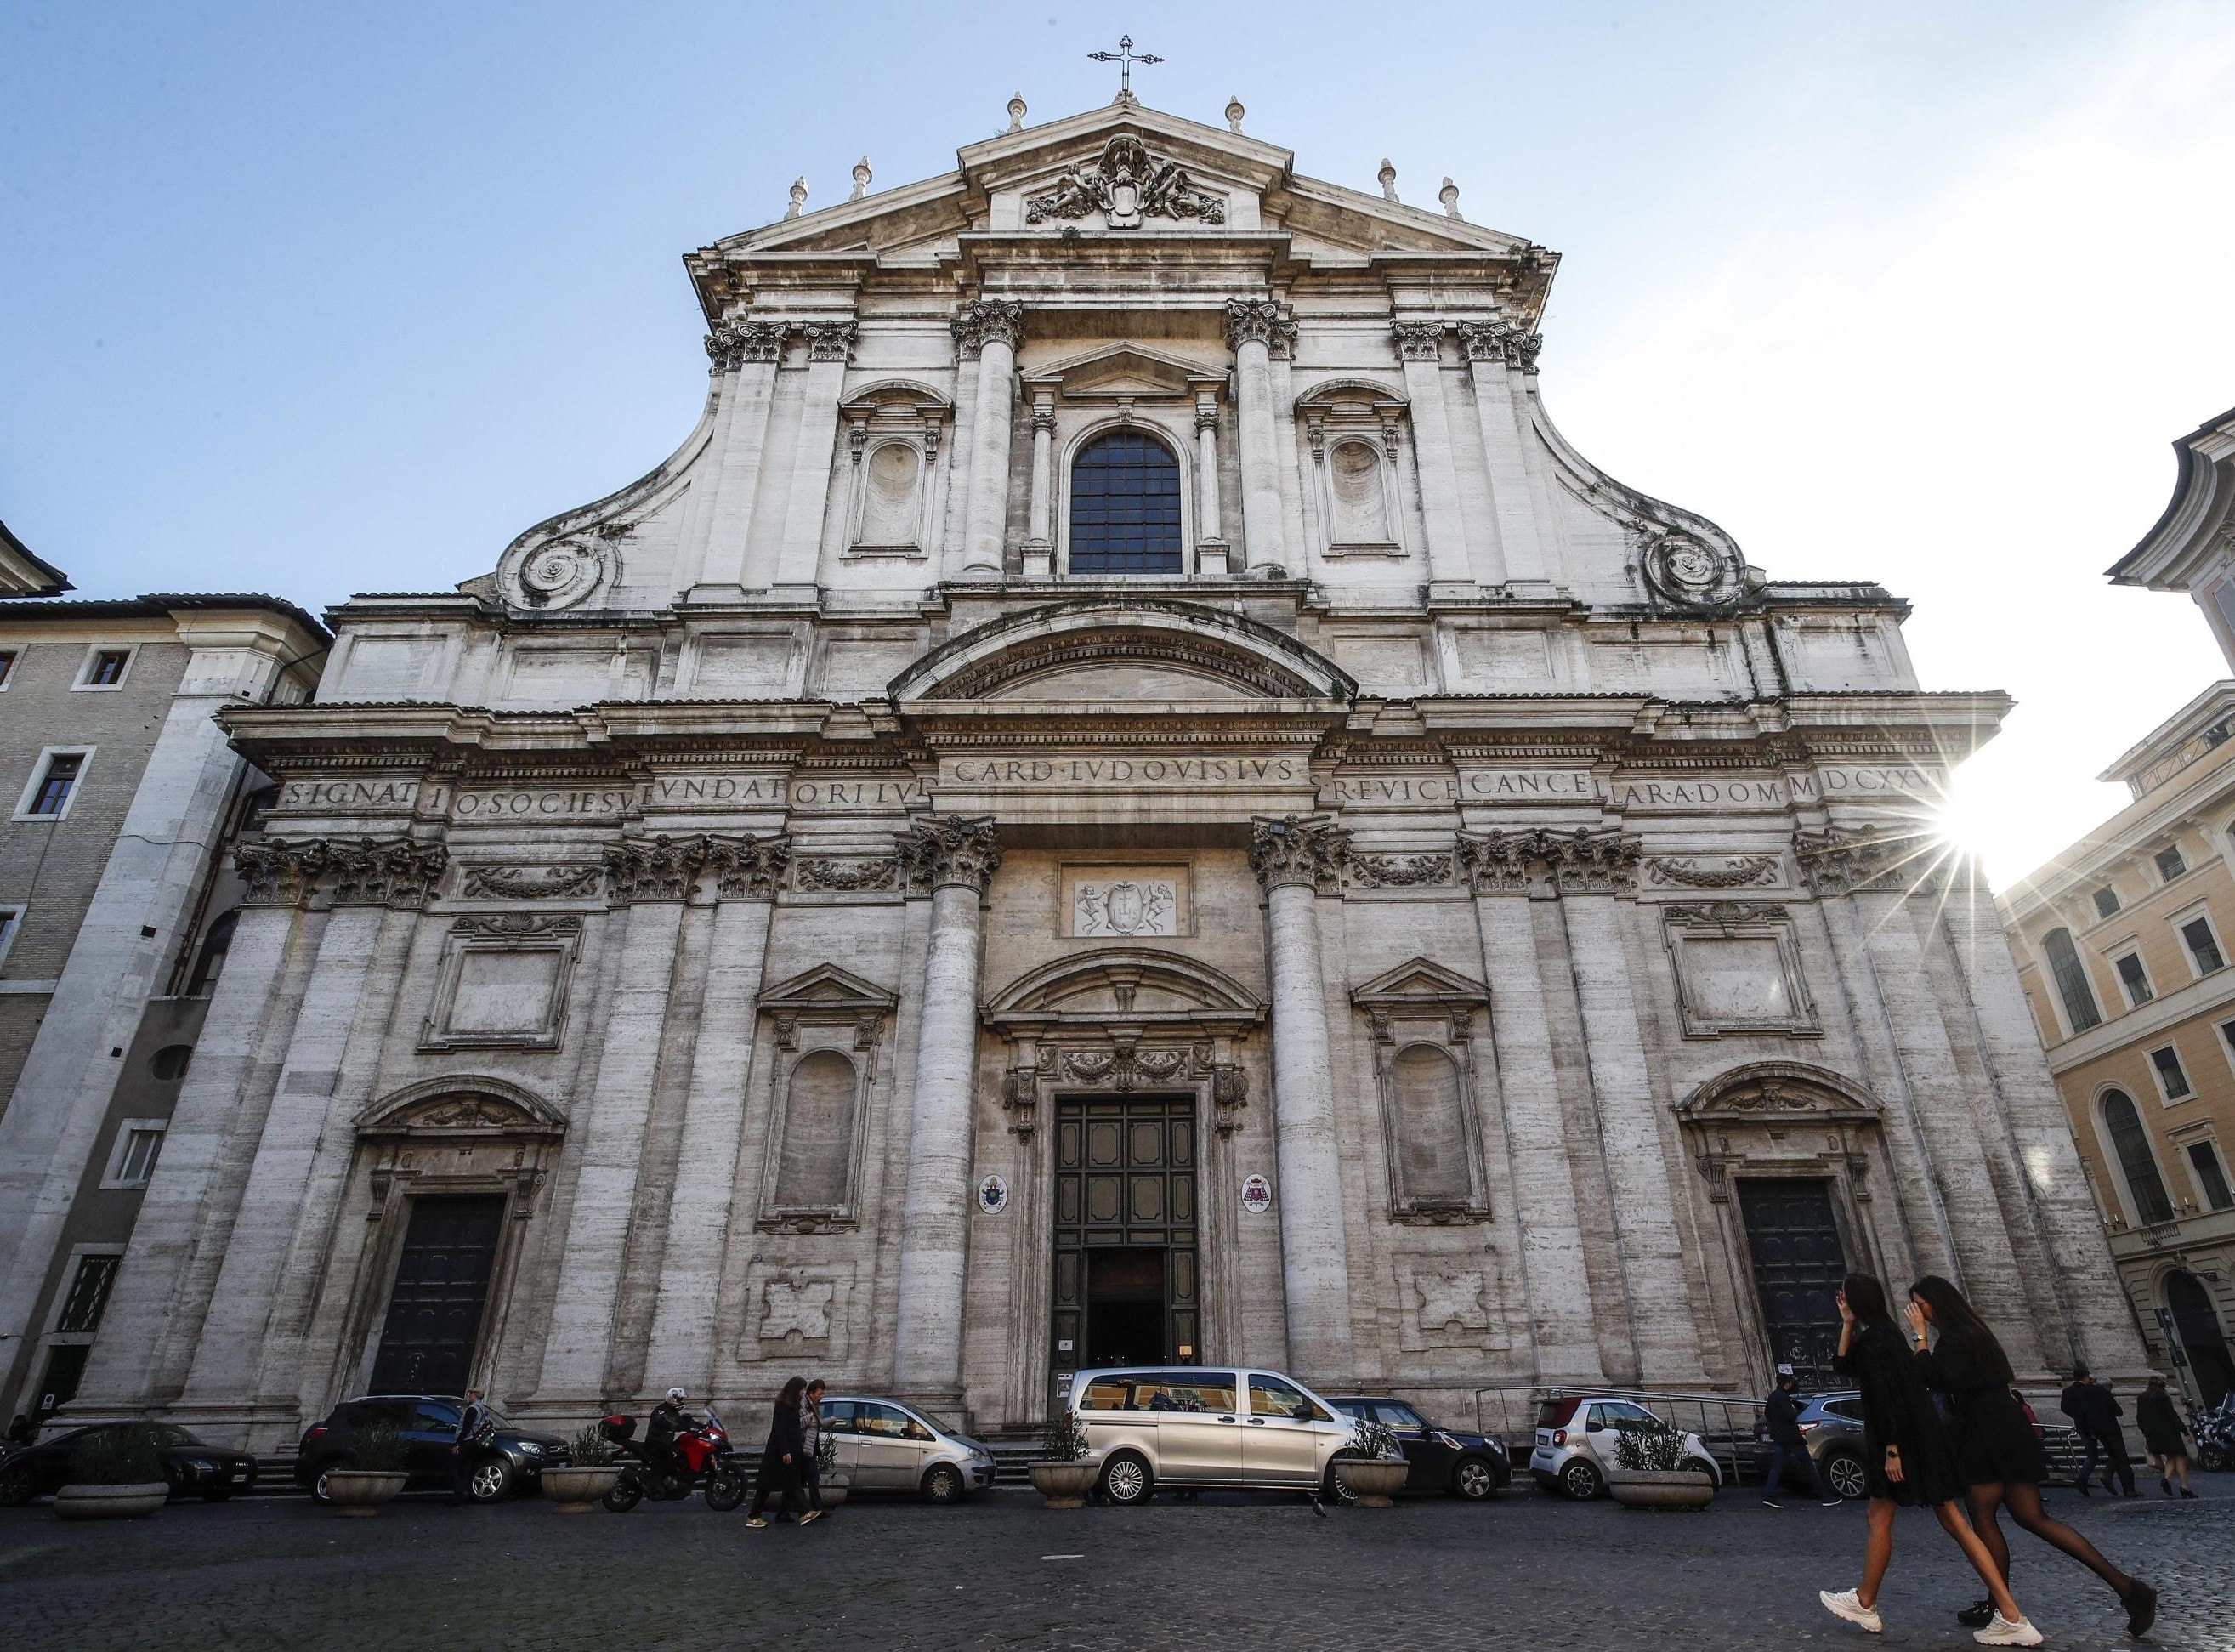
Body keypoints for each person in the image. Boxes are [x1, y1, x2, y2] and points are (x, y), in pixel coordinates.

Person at [1907, 1276, 2156, 1638]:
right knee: (2031, 1517)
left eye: (1922, 1304)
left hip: (1986, 1431)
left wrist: (1919, 1339)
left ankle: (2001, 1607)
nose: (1919, 1312)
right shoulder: (1974, 1332)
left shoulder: (1957, 1337)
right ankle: (2129, 1589)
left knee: (1984, 1515)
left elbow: (1935, 1377)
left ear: (1938, 1302)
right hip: (2004, 1426)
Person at [1818, 1272, 2041, 1647]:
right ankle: (1868, 1602)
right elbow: (1843, 1366)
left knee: (1930, 1521)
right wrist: (1847, 1322)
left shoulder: (1878, 1343)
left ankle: (1868, 1603)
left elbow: (1889, 1399)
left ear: (1858, 1301)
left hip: (1903, 1446)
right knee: (1942, 1521)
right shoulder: (1882, 1336)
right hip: (1920, 1440)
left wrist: (1892, 1450)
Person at [1762, 1365, 1839, 1509]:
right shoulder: (1783, 1397)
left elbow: (1767, 1414)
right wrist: (1796, 1409)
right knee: (1809, 1467)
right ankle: (1825, 1497)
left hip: (1780, 1438)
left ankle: (1769, 1495)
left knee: (1777, 1467)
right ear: (1787, 1384)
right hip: (1791, 1438)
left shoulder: (1772, 1396)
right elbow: (1789, 1415)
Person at [2059, 1365, 2136, 1496]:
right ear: (2086, 1378)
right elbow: (2115, 1409)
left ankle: (2084, 1478)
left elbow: (2065, 1408)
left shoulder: (2068, 1392)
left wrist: (2077, 1417)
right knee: (2119, 1455)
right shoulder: (2097, 1390)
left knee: (2093, 1455)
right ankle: (2127, 1488)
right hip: (2106, 1426)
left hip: (2084, 1427)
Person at [746, 1376, 812, 1529]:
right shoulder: (782, 1405)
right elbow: (779, 1429)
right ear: (795, 1389)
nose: (803, 1392)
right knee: (767, 1486)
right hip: (779, 1453)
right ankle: (753, 1515)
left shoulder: (792, 1405)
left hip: (789, 1451)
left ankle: (801, 1513)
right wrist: (785, 1451)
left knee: (792, 1482)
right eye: (802, 1389)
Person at [2135, 1376, 2196, 1499]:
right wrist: (2185, 1432)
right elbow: (2172, 1415)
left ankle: (2173, 1482)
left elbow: (2139, 1417)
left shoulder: (2141, 1397)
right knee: (2180, 1457)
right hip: (2169, 1432)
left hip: (2152, 1434)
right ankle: (2184, 1487)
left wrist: (2146, 1432)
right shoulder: (2162, 1397)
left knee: (2171, 1457)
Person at [449, 1387, 491, 1506]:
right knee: (466, 1468)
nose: (469, 1397)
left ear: (475, 1396)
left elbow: (466, 1428)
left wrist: (457, 1443)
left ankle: (458, 1492)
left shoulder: (472, 1409)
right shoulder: (483, 1409)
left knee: (453, 1465)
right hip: (475, 1443)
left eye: (470, 1395)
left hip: (467, 1441)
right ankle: (464, 1492)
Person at [646, 1387, 692, 1482]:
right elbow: (666, 1421)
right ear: (672, 1398)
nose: (680, 1401)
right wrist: (678, 1427)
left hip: (666, 1443)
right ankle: (656, 1480)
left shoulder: (674, 1412)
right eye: (679, 1399)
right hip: (655, 1443)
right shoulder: (661, 1410)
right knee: (672, 1457)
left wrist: (697, 1426)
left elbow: (681, 1422)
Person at [799, 1379, 829, 1519]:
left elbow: (819, 1424)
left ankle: (784, 1511)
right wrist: (812, 1417)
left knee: (808, 1479)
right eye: (819, 1394)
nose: (821, 1397)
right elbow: (801, 1423)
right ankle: (816, 1508)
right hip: (804, 1447)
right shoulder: (804, 1404)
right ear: (811, 1393)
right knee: (811, 1478)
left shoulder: (812, 1405)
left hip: (809, 1447)